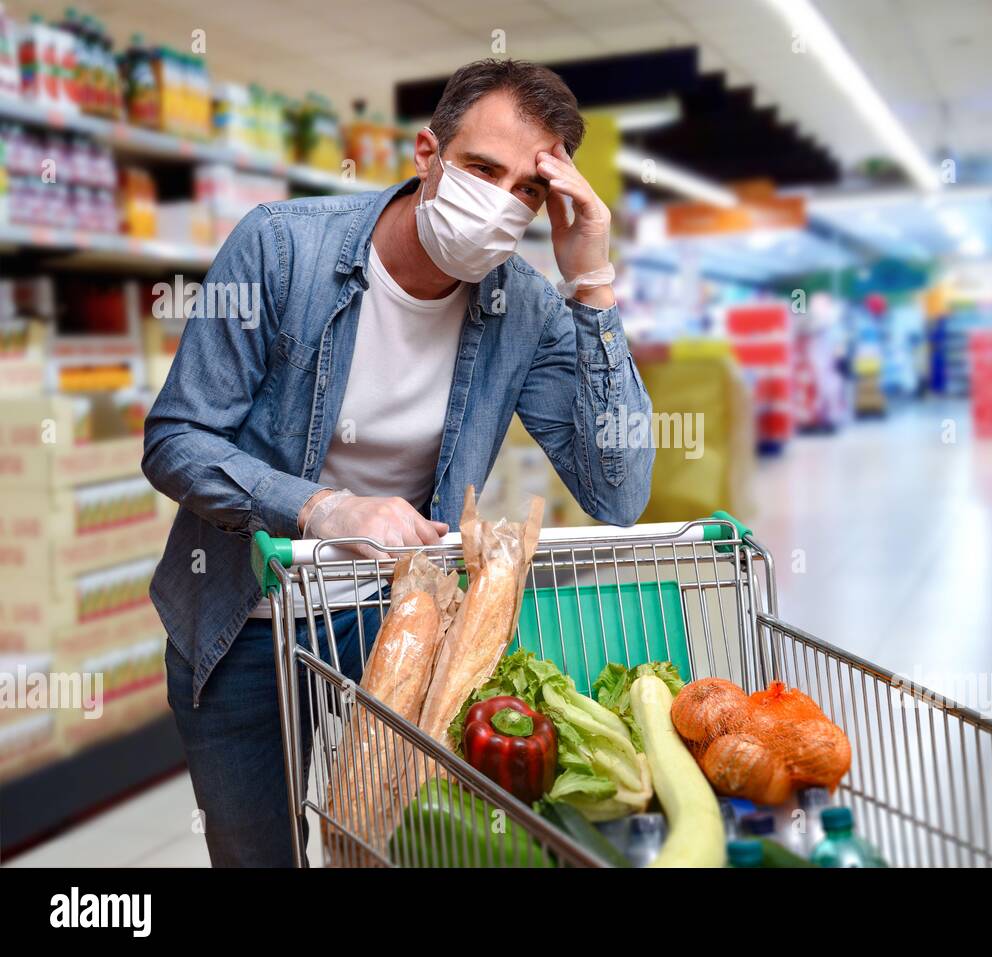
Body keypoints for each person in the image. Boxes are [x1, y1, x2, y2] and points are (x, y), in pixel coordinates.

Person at [142, 59, 654, 866]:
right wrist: (326, 508)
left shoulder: (524, 306)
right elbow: (176, 439)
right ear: (427, 153)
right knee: (254, 852)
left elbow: (618, 490)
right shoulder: (280, 248)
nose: (500, 201)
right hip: (244, 615)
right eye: (483, 168)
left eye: (527, 189)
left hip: (404, 612)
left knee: (411, 843)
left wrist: (589, 278)